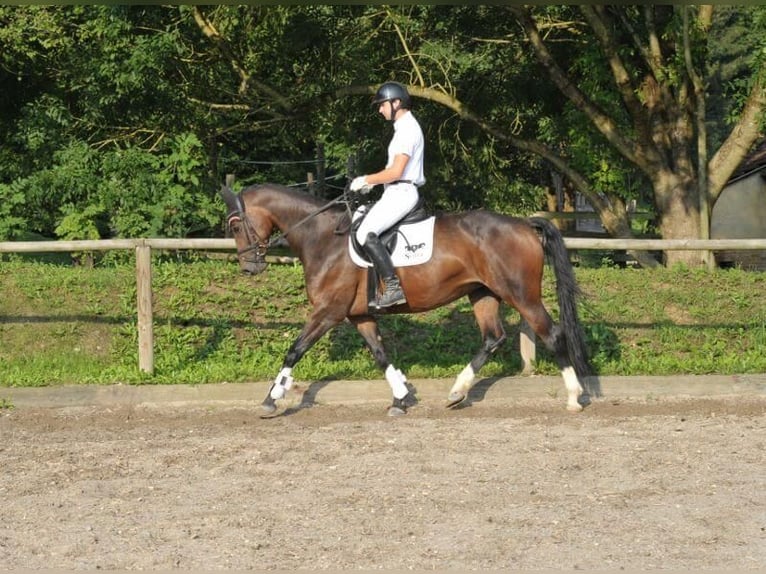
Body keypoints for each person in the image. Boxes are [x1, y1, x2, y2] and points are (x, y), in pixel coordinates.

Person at [350, 81, 426, 309]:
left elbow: (396, 171)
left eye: (382, 105)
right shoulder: (403, 128)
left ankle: (392, 287)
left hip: (401, 191)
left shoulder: (407, 130)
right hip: (395, 190)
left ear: (396, 103)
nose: (380, 110)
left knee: (365, 232)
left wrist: (366, 180)